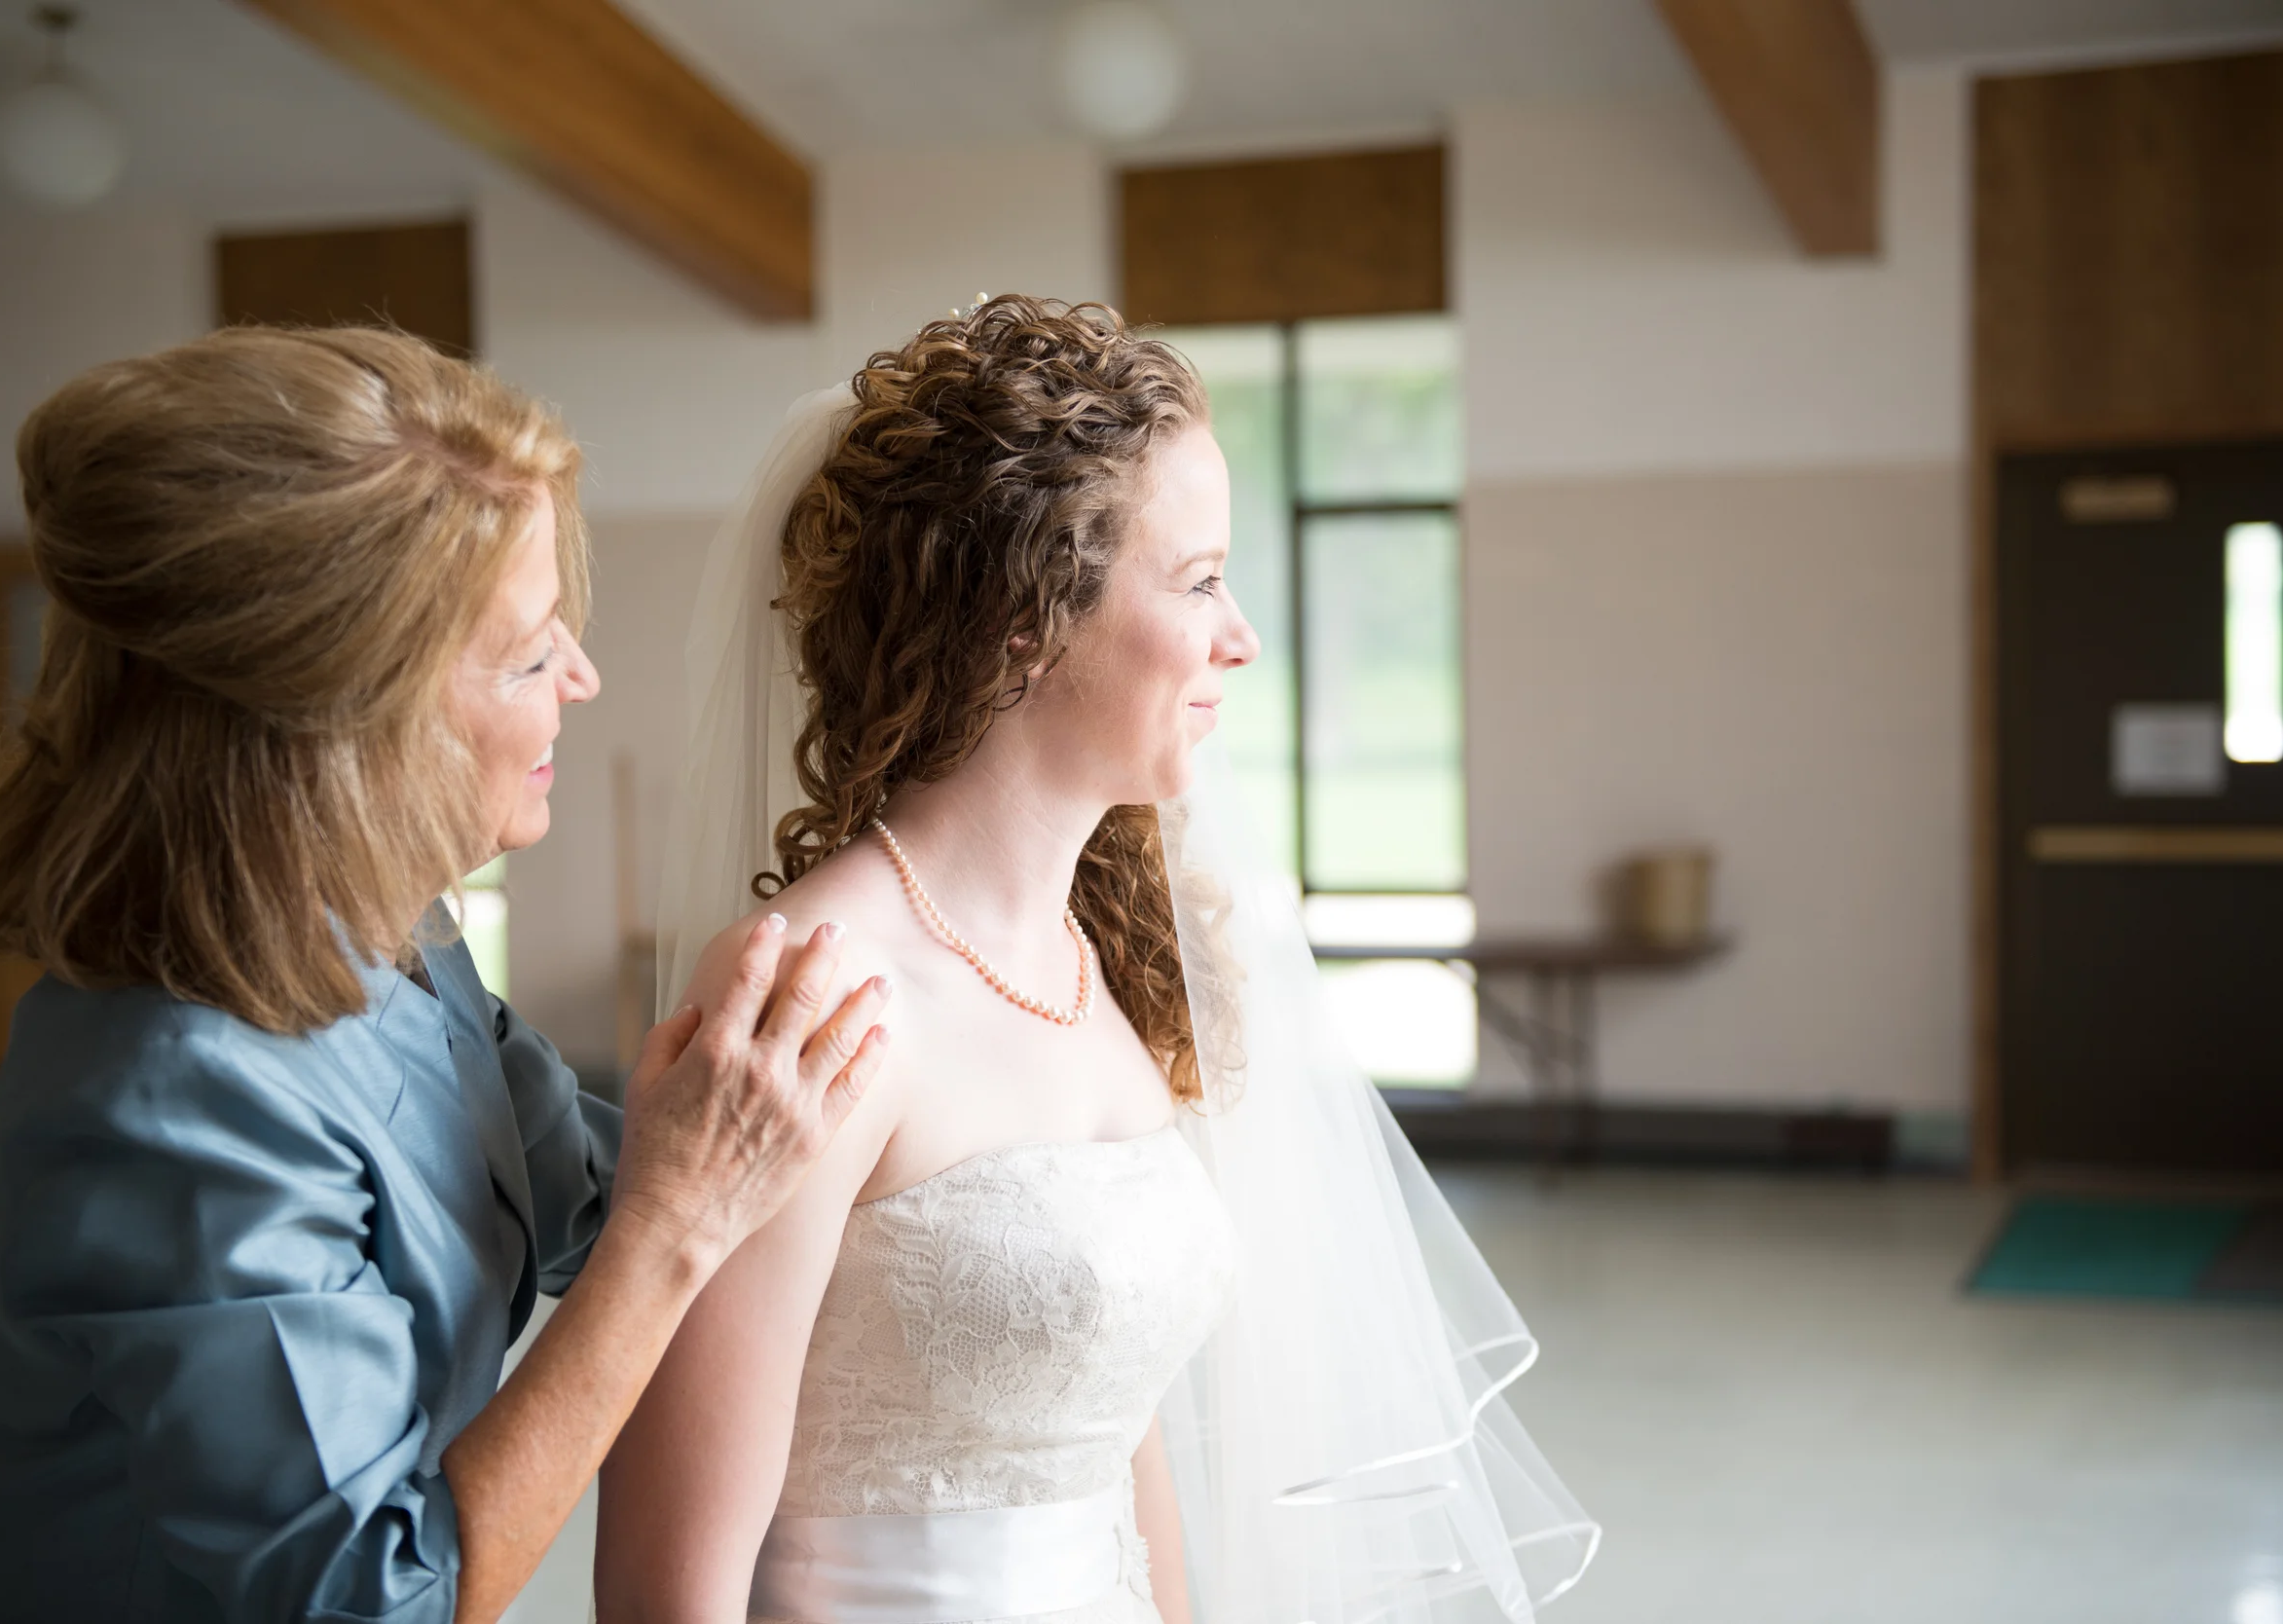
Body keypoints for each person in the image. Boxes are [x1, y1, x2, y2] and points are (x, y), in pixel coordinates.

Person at [600, 297, 1597, 1624]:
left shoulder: (1095, 969)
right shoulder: (818, 997)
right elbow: (669, 1589)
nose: (1238, 635)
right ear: (1028, 619)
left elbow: (1121, 1438)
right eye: (1196, 582)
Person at [0, 325, 891, 1624]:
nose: (583, 678)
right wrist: (676, 1233)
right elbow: (383, 1598)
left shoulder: (390, 928)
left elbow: (584, 1191)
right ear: (349, 728)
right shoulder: (176, 1104)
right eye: (528, 653)